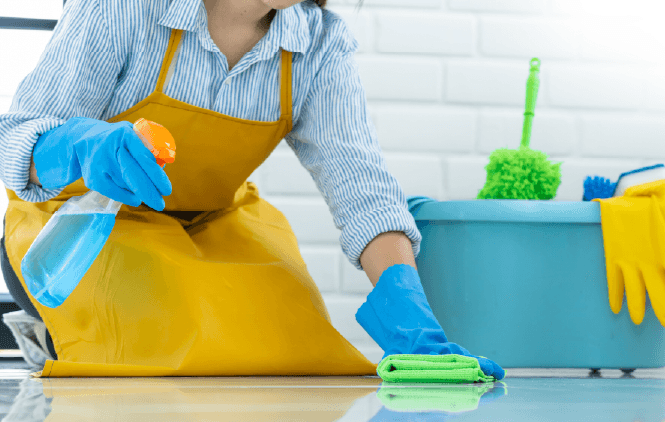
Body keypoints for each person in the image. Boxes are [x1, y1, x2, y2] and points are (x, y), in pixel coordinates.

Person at [0, 0, 503, 378]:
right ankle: (50, 333)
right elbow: (13, 137)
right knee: (177, 344)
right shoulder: (125, 8)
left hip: (211, 227)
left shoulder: (317, 43)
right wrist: (77, 146)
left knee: (297, 353)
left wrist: (407, 306)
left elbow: (362, 186)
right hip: (83, 227)